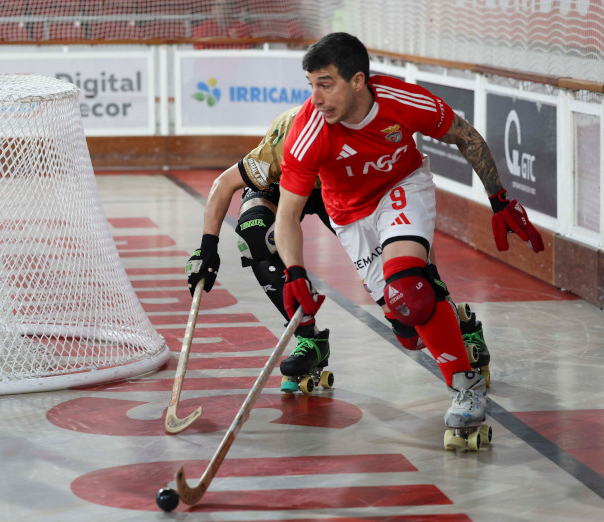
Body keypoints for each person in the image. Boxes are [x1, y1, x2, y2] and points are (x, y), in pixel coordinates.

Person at [275, 33, 543, 444]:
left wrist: (499, 199)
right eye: (311, 84)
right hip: (350, 217)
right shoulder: (308, 130)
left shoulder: (402, 101)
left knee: (409, 290)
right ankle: (462, 324)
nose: (317, 97)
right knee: (411, 330)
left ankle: (466, 387)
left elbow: (464, 136)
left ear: (359, 81)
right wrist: (294, 270)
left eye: (326, 83)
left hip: (402, 187)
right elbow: (287, 216)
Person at [185, 106, 491, 394]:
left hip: (341, 187)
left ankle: (459, 322)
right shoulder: (284, 140)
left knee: (407, 306)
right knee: (254, 234)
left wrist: (430, 278)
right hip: (288, 183)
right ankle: (309, 339)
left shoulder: (362, 139)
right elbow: (225, 183)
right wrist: (206, 249)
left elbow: (408, 222)